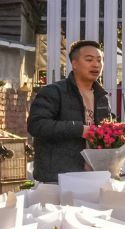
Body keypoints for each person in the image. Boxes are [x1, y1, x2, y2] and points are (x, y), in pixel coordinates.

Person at [28, 40, 112, 182]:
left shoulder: (102, 97)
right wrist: (80, 129)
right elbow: (36, 125)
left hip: (94, 175)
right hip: (57, 177)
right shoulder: (53, 91)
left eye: (100, 60)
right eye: (89, 59)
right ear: (74, 64)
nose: (96, 64)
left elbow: (105, 132)